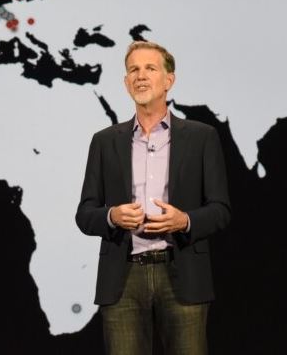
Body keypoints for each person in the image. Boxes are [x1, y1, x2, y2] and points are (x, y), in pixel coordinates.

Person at [76, 40, 231, 355]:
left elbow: (220, 210)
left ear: (169, 80)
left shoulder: (201, 137)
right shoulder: (104, 142)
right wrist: (112, 216)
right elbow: (85, 213)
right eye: (133, 70)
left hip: (182, 274)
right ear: (126, 83)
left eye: (150, 68)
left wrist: (184, 221)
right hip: (123, 279)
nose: (141, 76)